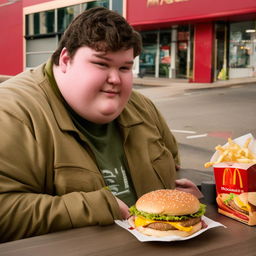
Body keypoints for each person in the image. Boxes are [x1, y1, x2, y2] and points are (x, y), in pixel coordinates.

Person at [0, 7, 202, 243]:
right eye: (101, 64)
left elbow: (174, 168)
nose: (115, 79)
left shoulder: (143, 107)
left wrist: (184, 199)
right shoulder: (12, 113)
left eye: (124, 68)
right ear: (66, 60)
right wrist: (95, 208)